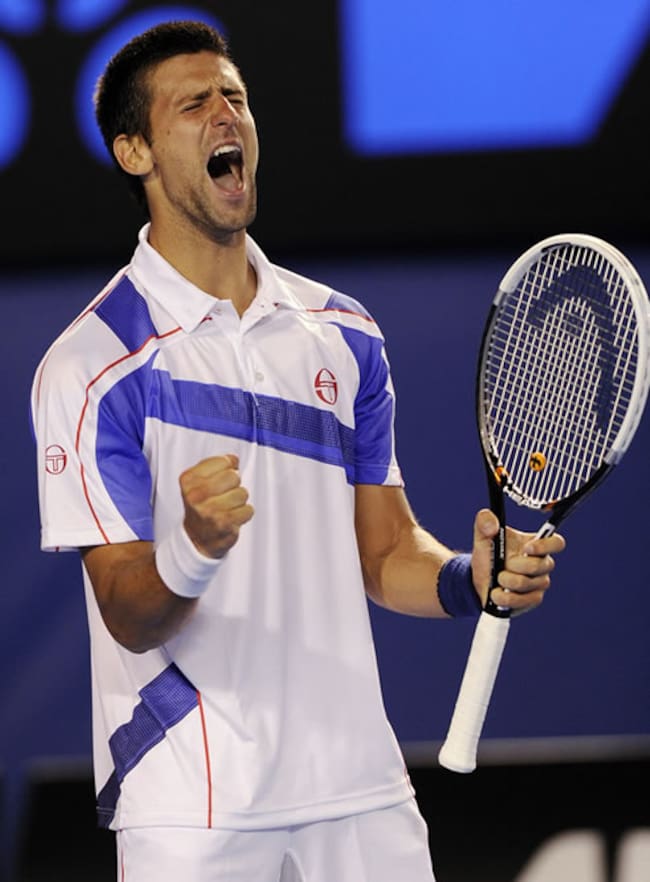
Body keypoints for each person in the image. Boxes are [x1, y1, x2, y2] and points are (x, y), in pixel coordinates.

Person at [30, 19, 565, 882]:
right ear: (134, 153)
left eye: (234, 98)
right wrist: (194, 548)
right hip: (194, 809)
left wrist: (471, 579)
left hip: (361, 792)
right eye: (193, 105)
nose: (225, 116)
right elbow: (127, 610)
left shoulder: (344, 334)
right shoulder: (91, 367)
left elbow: (383, 550)